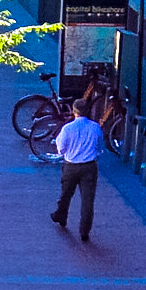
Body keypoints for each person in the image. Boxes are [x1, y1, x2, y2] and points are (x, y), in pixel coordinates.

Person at [49, 95, 108, 241]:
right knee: (87, 200)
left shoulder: (68, 128)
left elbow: (61, 148)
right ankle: (84, 231)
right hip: (89, 167)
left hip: (71, 166)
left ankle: (61, 216)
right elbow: (100, 147)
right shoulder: (95, 128)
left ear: (74, 111)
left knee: (66, 194)